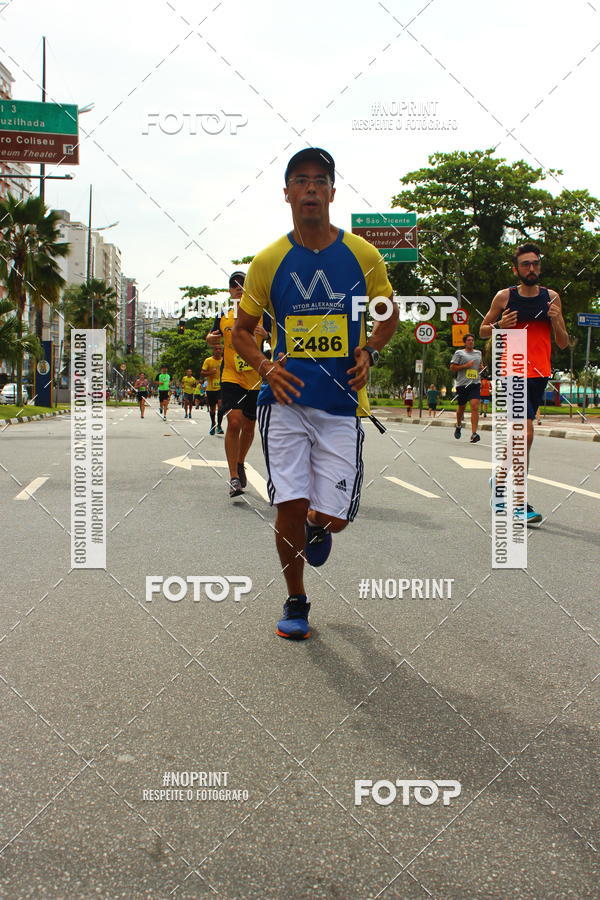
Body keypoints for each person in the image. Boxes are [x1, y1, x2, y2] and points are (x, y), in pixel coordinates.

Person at [232, 147, 398, 640]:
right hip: (284, 402)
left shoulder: (363, 255)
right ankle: (296, 599)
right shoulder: (269, 260)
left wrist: (370, 350)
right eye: (301, 180)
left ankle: (318, 524)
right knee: (288, 503)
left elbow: (388, 314)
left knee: (333, 518)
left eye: (320, 180)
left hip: (341, 404)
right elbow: (242, 331)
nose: (311, 188)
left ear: (332, 192)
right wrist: (265, 366)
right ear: (287, 193)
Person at [480, 242, 568, 525]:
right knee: (524, 434)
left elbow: (563, 342)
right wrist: (499, 326)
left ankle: (500, 481)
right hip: (511, 371)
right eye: (526, 264)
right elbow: (482, 330)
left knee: (520, 436)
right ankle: (519, 502)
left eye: (535, 263)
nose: (532, 268)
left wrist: (557, 320)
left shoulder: (551, 298)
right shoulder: (504, 297)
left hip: (539, 374)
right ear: (516, 269)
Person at [207, 272, 269, 496]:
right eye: (235, 285)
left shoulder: (261, 312)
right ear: (229, 291)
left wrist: (267, 334)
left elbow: (279, 338)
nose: (239, 288)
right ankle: (234, 476)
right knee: (234, 421)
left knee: (249, 426)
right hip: (231, 374)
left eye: (243, 284)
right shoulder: (223, 314)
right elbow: (211, 336)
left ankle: (240, 461)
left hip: (255, 376)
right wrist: (210, 339)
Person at [450, 333, 483, 443]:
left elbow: (479, 366)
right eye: (468, 340)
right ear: (465, 342)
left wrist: (481, 369)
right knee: (462, 408)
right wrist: (465, 366)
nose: (471, 342)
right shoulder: (459, 353)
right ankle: (459, 425)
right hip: (462, 384)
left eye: (472, 340)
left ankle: (474, 434)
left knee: (475, 406)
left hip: (475, 383)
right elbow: (452, 367)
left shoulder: (478, 353)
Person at [201, 346, 225, 435]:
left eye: (220, 349)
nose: (218, 351)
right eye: (216, 349)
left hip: (221, 388)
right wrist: (211, 372)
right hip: (211, 388)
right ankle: (213, 424)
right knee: (212, 409)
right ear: (213, 351)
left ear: (222, 351)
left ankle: (219, 426)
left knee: (221, 405)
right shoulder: (208, 360)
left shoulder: (224, 361)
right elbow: (202, 373)